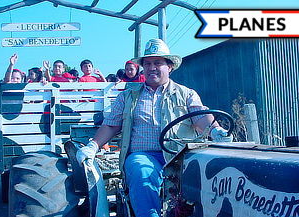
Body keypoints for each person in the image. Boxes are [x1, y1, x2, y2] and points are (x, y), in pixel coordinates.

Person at [70, 39, 233, 217]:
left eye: (157, 63)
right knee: (141, 172)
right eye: (147, 64)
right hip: (144, 155)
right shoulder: (128, 96)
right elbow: (111, 125)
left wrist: (216, 131)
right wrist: (93, 146)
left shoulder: (186, 94)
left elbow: (201, 118)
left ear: (169, 66)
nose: (151, 67)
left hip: (180, 157)